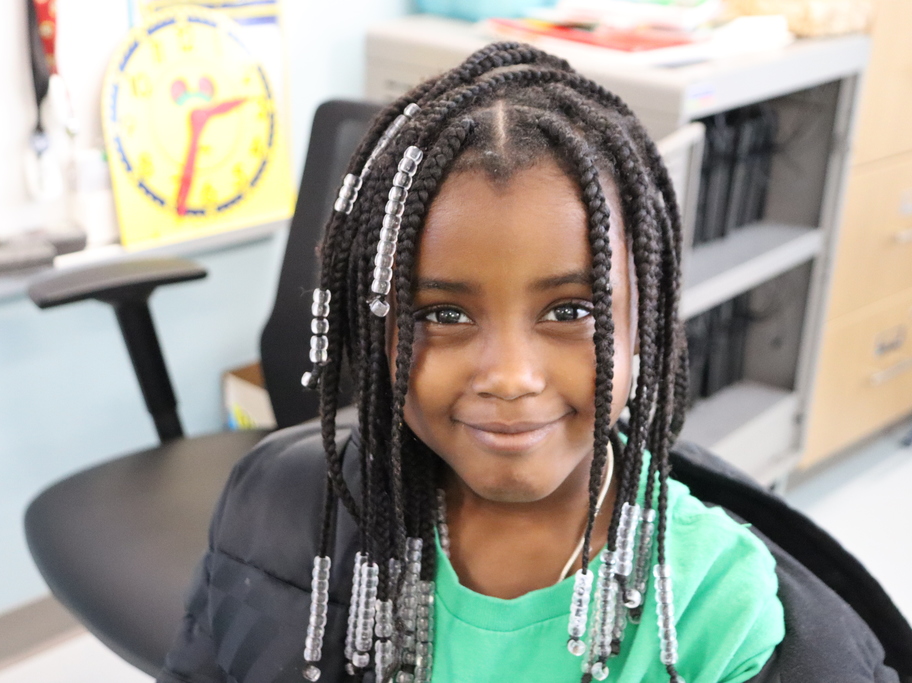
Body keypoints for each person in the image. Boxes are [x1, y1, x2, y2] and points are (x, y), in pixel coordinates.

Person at [157, 43, 787, 683]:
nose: (511, 378)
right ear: (378, 330)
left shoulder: (714, 601)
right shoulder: (282, 510)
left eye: (570, 311)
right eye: (444, 315)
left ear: (643, 319)